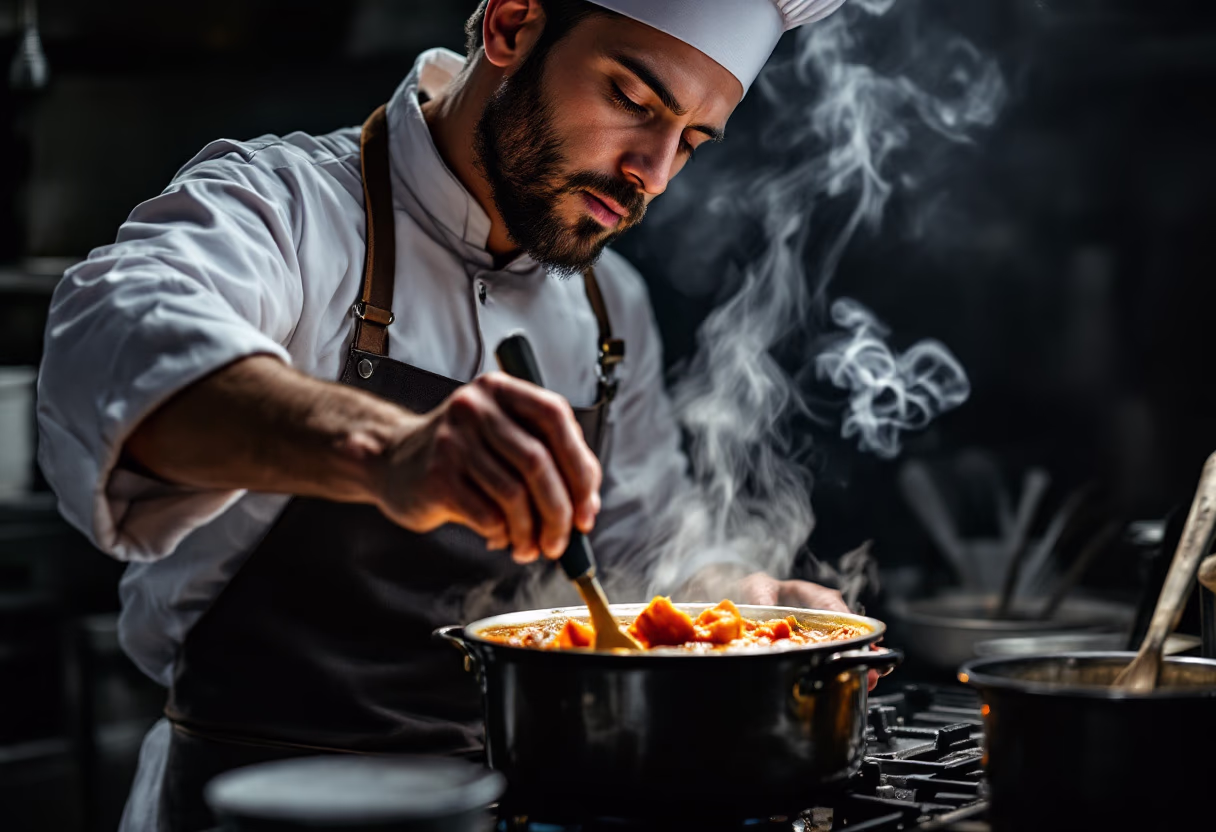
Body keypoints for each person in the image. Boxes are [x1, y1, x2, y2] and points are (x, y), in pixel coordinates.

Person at [36, 1, 862, 829]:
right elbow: (115, 341)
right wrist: (387, 451)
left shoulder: (613, 309)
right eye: (634, 101)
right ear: (511, 27)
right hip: (254, 804)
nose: (654, 171)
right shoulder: (288, 209)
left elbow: (635, 554)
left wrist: (733, 612)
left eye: (689, 140)